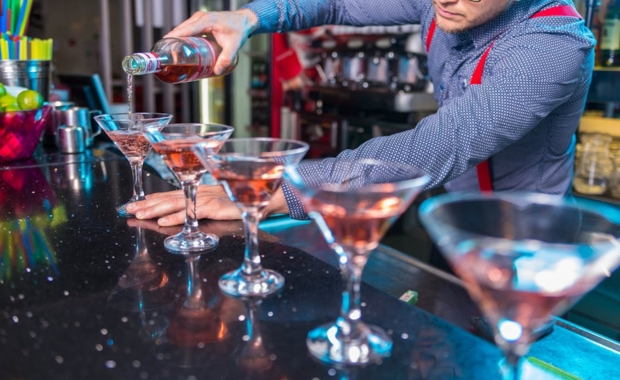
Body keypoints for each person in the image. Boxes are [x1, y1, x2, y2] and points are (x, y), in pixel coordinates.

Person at [126, 0, 595, 225]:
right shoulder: (454, 4)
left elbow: (438, 145)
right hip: (452, 216)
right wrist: (248, 17)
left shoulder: (554, 47)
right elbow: (337, 3)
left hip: (522, 241)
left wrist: (280, 189)